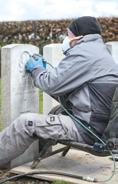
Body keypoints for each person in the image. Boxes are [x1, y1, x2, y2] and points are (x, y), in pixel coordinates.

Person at [0, 16, 118, 169]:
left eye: (68, 35)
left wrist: (37, 70)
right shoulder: (99, 52)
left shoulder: (83, 53)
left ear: (79, 36)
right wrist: (45, 73)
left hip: (87, 129)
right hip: (101, 126)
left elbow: (51, 84)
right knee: (56, 111)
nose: (66, 39)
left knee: (25, 123)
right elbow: (66, 88)